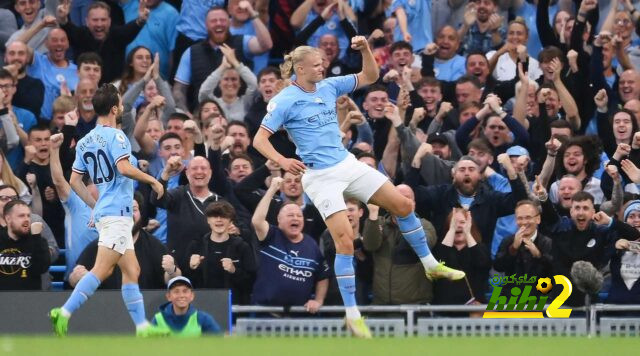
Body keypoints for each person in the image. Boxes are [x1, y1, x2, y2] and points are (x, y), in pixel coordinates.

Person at [252, 37, 464, 338]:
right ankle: (353, 314)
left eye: (323, 63)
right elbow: (259, 140)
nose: (323, 67)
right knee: (346, 242)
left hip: (347, 164)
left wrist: (365, 49)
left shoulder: (328, 85)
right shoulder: (285, 100)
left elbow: (370, 77)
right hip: (320, 177)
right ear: (300, 68)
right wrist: (283, 160)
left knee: (404, 205)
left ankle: (430, 264)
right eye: (316, 65)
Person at [49, 83, 165, 337]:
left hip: (108, 213)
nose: (122, 106)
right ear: (115, 109)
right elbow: (123, 168)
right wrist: (153, 180)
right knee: (102, 270)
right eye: (121, 103)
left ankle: (143, 327)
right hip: (118, 213)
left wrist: (95, 205)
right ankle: (64, 311)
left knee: (132, 270)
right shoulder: (117, 136)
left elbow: (74, 181)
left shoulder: (85, 141)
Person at [251, 177, 329, 312]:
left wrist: (318, 300)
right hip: (265, 315)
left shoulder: (311, 244)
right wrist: (271, 190)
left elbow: (323, 276)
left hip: (297, 317)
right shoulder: (271, 235)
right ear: (279, 220)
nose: (295, 218)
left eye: (299, 216)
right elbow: (257, 221)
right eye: (290, 215)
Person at [186, 201, 256, 304]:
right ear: (208, 220)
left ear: (231, 221)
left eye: (223, 216)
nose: (219, 220)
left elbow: (251, 283)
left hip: (233, 306)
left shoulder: (242, 247)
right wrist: (191, 268)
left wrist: (234, 271)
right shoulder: (196, 246)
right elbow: (185, 283)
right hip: (202, 305)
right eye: (214, 216)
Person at [0, 200, 50, 290]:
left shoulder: (38, 240)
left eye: (28, 216)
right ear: (8, 219)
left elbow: (41, 268)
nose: (26, 219)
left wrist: (36, 237)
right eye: (21, 216)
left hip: (29, 299)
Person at [151, 276, 222, 336]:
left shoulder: (203, 319)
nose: (181, 295)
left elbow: (219, 344)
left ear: (192, 296)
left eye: (185, 291)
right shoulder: (158, 320)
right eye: (176, 291)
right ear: (168, 296)